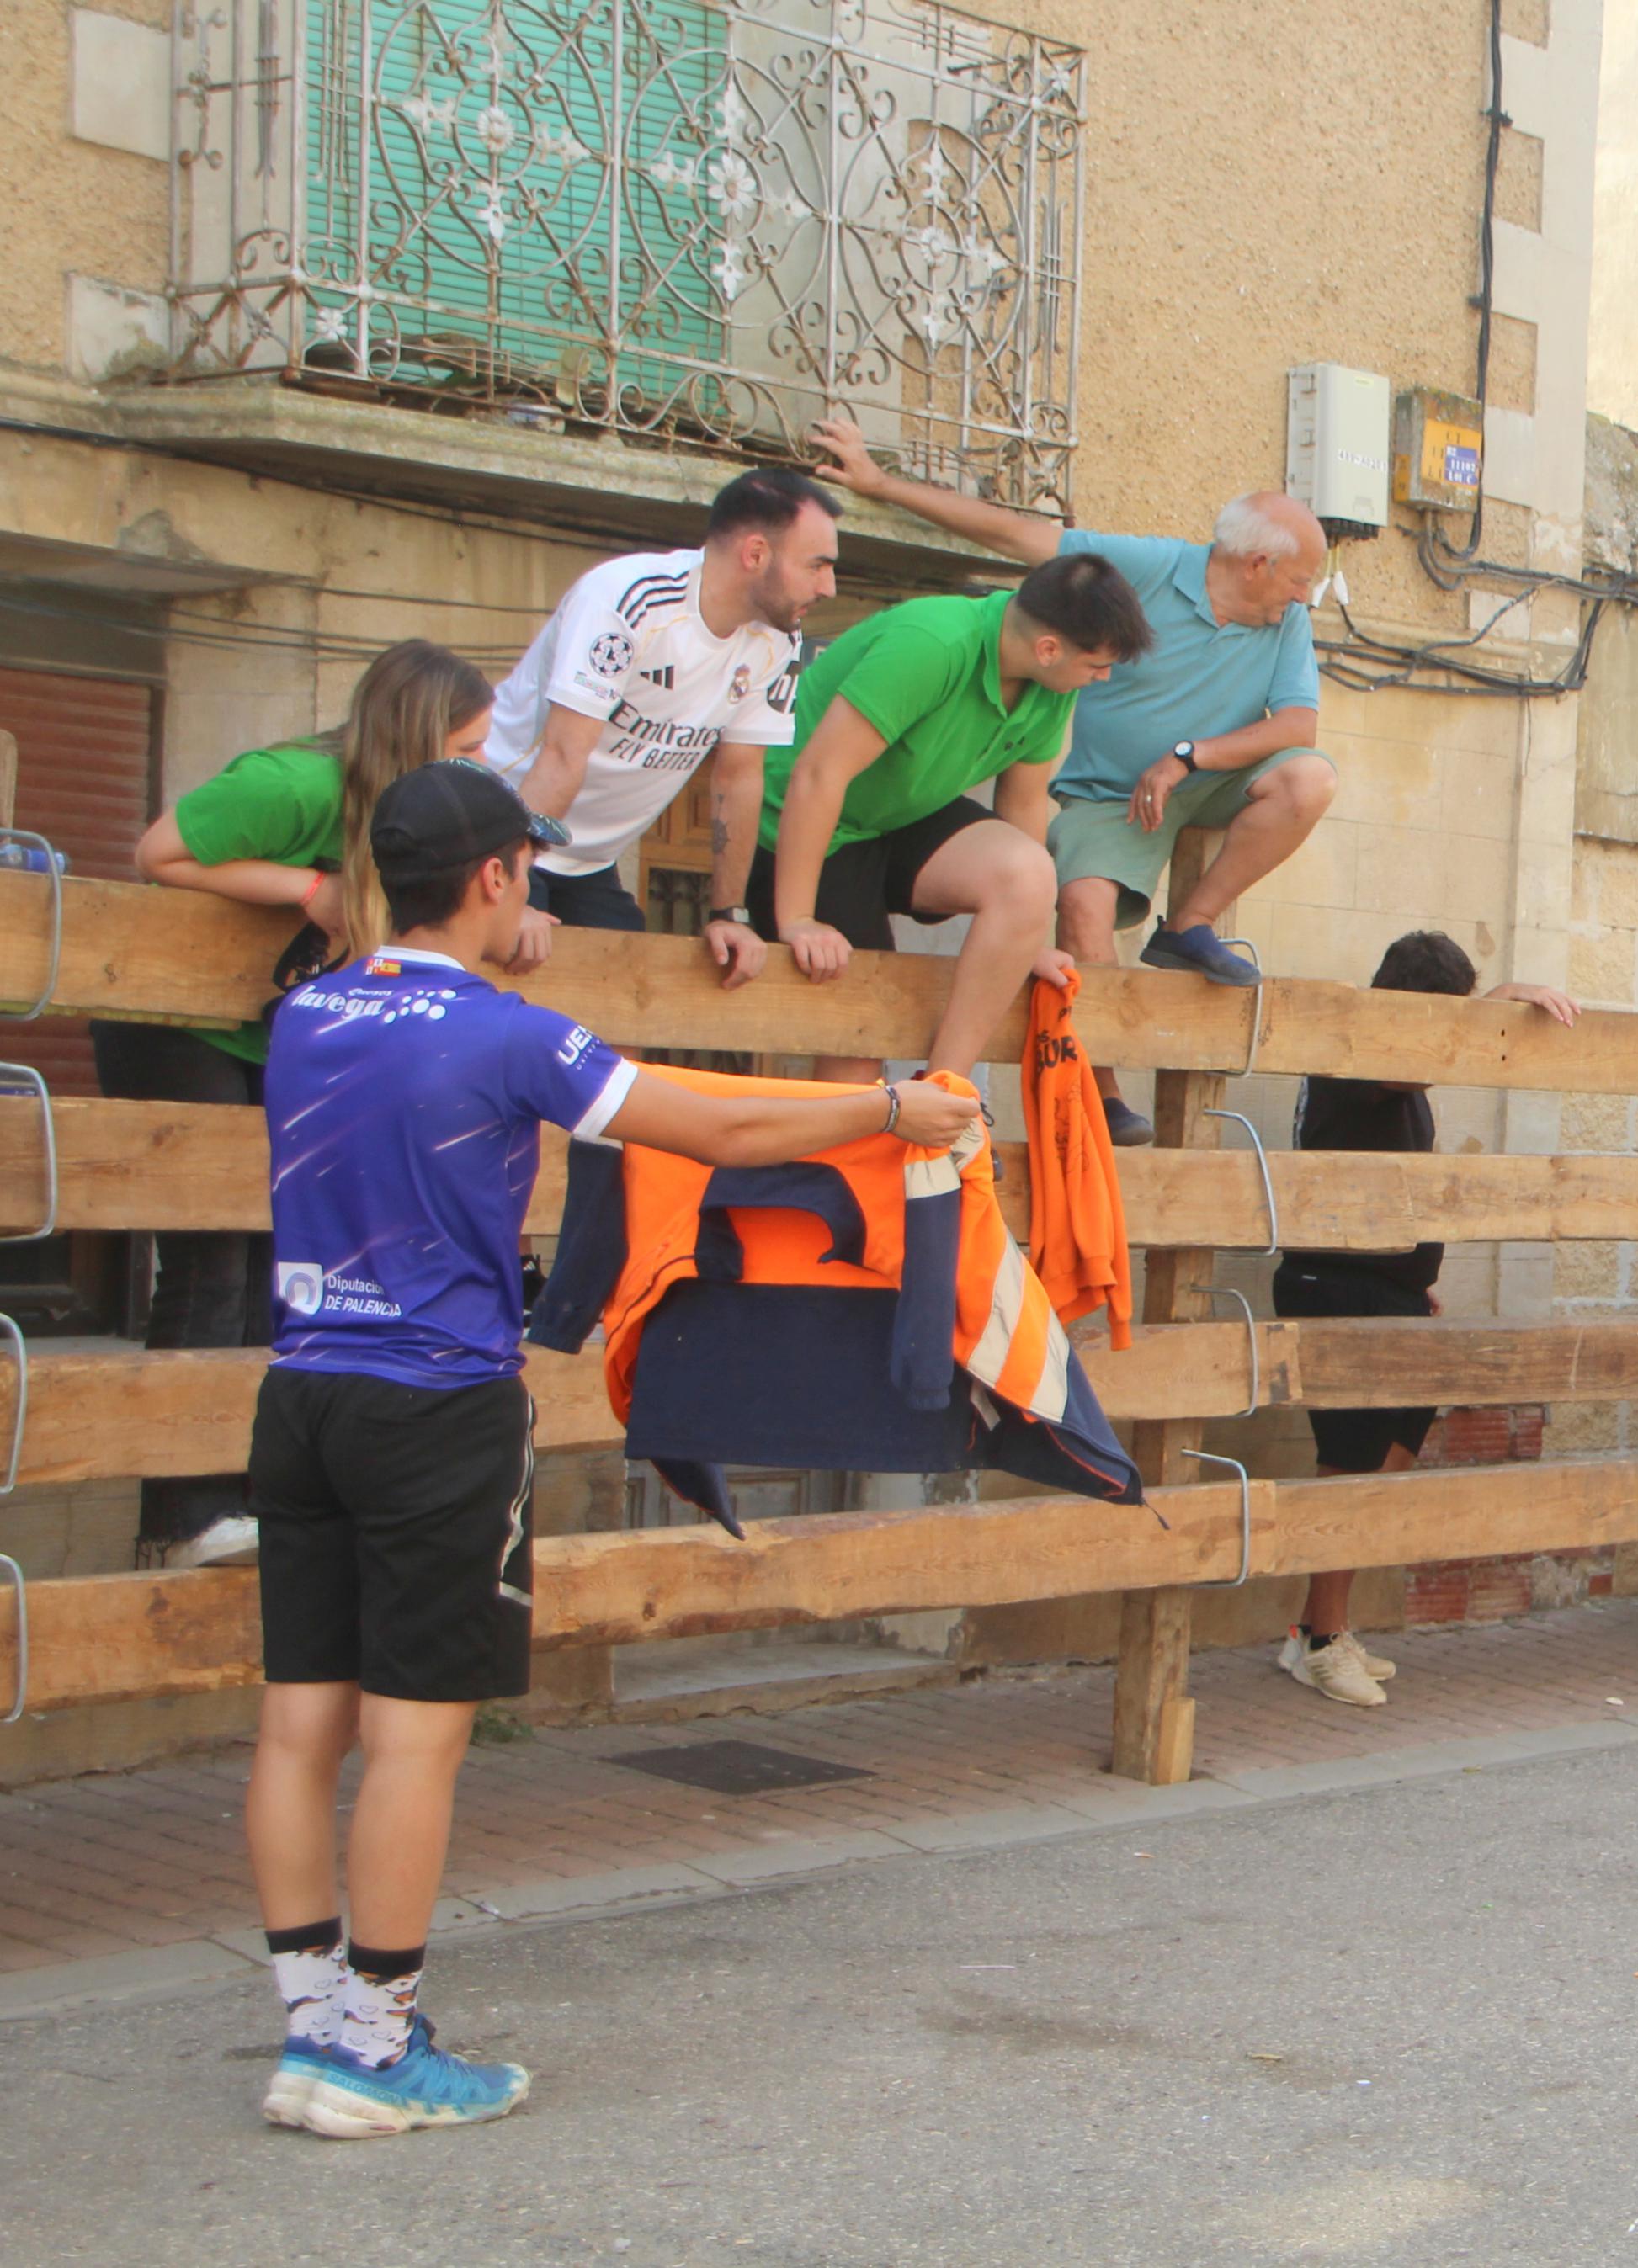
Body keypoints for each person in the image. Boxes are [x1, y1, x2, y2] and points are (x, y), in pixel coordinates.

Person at [244, 762, 981, 2138]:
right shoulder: (504, 1032)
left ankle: (310, 2030)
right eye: (519, 864)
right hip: (435, 1405)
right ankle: (376, 2051)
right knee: (414, 1740)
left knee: (298, 1725)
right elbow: (720, 1126)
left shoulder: (307, 1016)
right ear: (492, 880)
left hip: (301, 1396)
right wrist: (889, 1112)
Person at [814, 422, 1334, 1132]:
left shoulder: (1287, 624)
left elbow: (1298, 728)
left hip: (1209, 779)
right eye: (1302, 578)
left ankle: (1190, 922)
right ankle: (1108, 1097)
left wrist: (1188, 756)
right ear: (1255, 564)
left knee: (1310, 778)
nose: (1306, 596)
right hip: (1109, 795)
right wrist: (880, 485)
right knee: (1083, 904)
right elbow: (1016, 537)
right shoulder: (1146, 567)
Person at [109, 640, 496, 1570]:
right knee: (210, 1258)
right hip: (179, 1026)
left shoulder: (417, 824)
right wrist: (306, 887)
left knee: (280, 1261)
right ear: (417, 737)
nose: (480, 766)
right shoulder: (293, 785)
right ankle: (179, 1514)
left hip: (276, 1038)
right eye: (468, 746)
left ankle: (245, 1495)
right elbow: (156, 851)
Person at [1268, 932, 1577, 1708]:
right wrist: (1490, 1009)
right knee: (1348, 1474)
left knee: (1389, 1461)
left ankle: (1314, 1631)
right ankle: (1319, 1641)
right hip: (1335, 1288)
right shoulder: (1357, 1052)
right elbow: (1414, 1062)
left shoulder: (1386, 1075)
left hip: (1386, 1289)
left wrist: (1413, 1277)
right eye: (1445, 1018)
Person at [735, 552, 1151, 1086]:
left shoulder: (1052, 685)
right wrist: (797, 919)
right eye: (1097, 666)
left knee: (1027, 874)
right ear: (1048, 649)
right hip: (805, 826)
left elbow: (1022, 803)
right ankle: (845, 1164)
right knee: (857, 1042)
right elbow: (818, 776)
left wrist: (1031, 940)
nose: (1103, 677)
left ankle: (945, 1094)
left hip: (899, 817)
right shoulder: (932, 643)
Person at [481, 469, 838, 964]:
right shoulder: (629, 599)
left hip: (590, 862)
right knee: (510, 1006)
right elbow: (564, 753)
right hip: (500, 840)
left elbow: (738, 776)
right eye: (817, 565)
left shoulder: (779, 639)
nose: (830, 587)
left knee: (628, 986)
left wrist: (729, 915)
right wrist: (509, 889)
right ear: (755, 555)